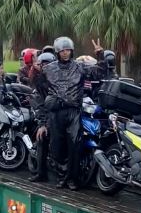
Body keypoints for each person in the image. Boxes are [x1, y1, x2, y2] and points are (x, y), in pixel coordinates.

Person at [43, 37, 107, 189]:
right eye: (62, 51)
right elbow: (39, 86)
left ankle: (72, 179)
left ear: (71, 51)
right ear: (58, 52)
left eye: (68, 50)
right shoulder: (49, 68)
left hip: (73, 112)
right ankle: (61, 177)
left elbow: (99, 72)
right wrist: (48, 102)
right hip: (56, 112)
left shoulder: (79, 66)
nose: (65, 53)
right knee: (57, 146)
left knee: (75, 146)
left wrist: (100, 55)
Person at [29, 52, 56, 182]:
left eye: (48, 64)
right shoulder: (39, 81)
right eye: (43, 64)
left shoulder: (60, 77)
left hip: (63, 114)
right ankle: (41, 173)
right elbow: (40, 105)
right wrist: (43, 124)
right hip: (48, 115)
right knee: (42, 139)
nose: (46, 67)